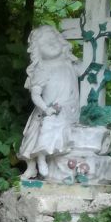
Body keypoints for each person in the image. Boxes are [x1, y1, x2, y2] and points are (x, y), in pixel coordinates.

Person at [19, 25, 81, 181]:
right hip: (47, 111)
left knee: (55, 132)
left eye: (55, 40)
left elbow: (89, 71)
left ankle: (41, 159)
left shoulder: (69, 64)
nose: (53, 44)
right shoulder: (42, 69)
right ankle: (37, 162)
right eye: (47, 43)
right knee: (37, 136)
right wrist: (46, 109)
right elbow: (36, 95)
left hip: (68, 109)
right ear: (38, 51)